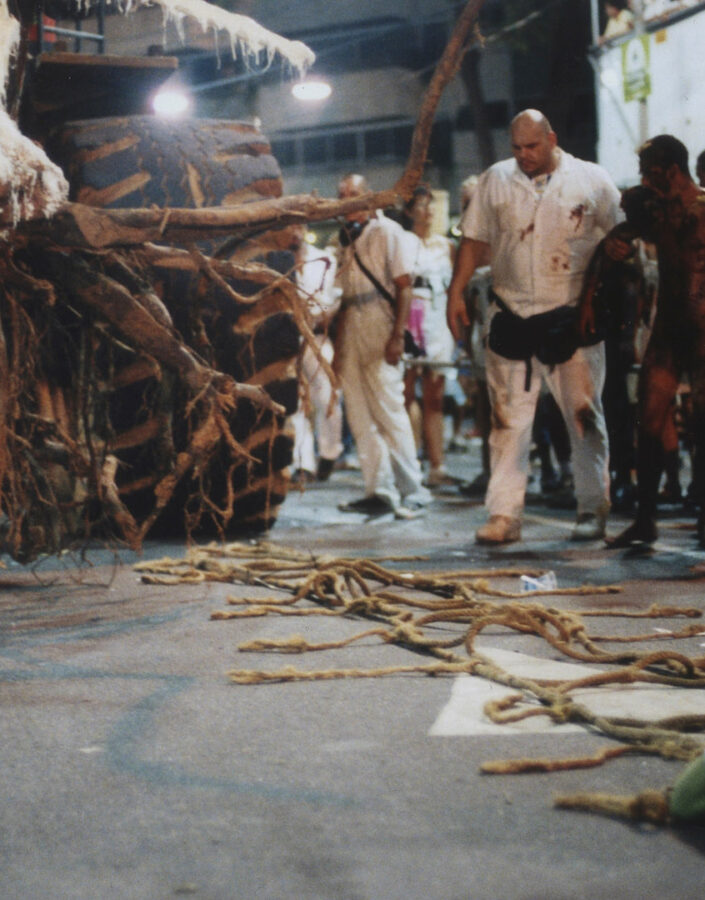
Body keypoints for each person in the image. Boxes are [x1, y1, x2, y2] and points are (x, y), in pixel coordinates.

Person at [447, 109, 621, 544]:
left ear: (551, 138)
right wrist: (456, 291)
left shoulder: (592, 180)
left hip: (571, 316)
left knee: (584, 418)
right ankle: (504, 514)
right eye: (517, 148)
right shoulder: (495, 179)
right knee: (508, 423)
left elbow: (621, 241)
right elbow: (473, 239)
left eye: (532, 146)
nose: (524, 155)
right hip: (512, 313)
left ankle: (592, 508)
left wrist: (608, 299)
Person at [603, 135, 705, 548]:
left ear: (673, 171)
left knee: (701, 423)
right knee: (647, 415)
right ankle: (645, 520)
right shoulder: (658, 212)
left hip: (701, 328)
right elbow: (625, 238)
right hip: (669, 328)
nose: (645, 178)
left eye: (650, 170)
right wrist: (616, 245)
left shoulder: (700, 210)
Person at [333, 173, 431, 519]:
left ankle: (414, 490)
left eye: (355, 193)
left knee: (390, 411)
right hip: (352, 331)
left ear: (370, 197)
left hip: (380, 325)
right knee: (359, 416)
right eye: (343, 194)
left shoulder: (388, 232)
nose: (349, 200)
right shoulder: (345, 240)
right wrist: (338, 351)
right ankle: (378, 489)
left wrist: (397, 336)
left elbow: (404, 286)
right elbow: (343, 300)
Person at [400, 185, 458, 487]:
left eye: (431, 205)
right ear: (410, 212)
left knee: (435, 395)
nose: (428, 211)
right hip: (412, 319)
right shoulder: (403, 242)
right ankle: (412, 463)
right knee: (407, 393)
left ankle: (438, 466)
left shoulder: (445, 245)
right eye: (422, 205)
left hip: (438, 321)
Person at [288, 225, 344, 483]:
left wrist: (321, 317)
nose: (294, 232)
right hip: (287, 338)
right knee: (296, 401)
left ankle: (329, 452)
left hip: (318, 336)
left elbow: (337, 298)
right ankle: (303, 463)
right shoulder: (278, 259)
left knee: (326, 395)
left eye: (298, 225)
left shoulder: (325, 259)